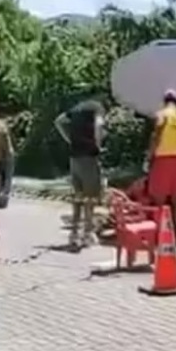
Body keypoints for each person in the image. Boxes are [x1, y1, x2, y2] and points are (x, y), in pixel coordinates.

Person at [54, 99, 105, 248]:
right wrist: (98, 144)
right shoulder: (97, 107)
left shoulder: (76, 110)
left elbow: (58, 121)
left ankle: (74, 234)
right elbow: (99, 125)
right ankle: (87, 234)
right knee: (90, 197)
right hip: (88, 157)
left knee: (78, 197)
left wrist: (69, 139)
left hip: (74, 159)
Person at [146, 89, 176, 239]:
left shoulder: (161, 115)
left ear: (165, 101)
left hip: (163, 159)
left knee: (159, 200)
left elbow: (156, 135)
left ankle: (161, 233)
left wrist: (150, 155)